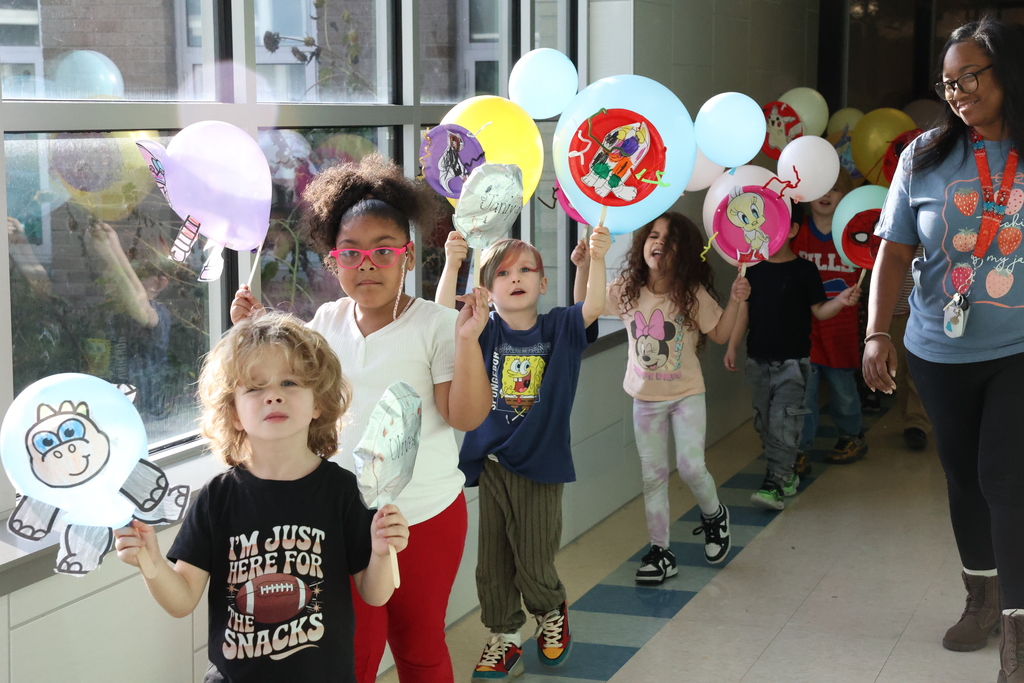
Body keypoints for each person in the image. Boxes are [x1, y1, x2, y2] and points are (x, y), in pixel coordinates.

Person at [230, 154, 492, 683]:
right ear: (334, 261)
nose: (367, 264)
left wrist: (467, 341)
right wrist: (254, 327)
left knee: (419, 650)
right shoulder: (325, 321)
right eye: (351, 253)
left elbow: (464, 416)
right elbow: (291, 386)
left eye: (382, 251)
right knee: (351, 659)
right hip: (343, 521)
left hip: (425, 518)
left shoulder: (439, 324)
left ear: (409, 257)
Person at [113, 312, 410, 683]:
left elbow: (375, 593)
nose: (273, 395)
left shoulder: (343, 491)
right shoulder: (216, 499)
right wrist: (151, 562)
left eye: (290, 382)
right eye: (254, 388)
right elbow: (182, 599)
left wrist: (383, 552)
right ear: (234, 413)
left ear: (318, 403)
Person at [863, 17, 1024, 679]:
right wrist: (878, 331)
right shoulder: (924, 154)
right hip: (939, 349)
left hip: (1017, 346)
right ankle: (980, 597)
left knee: (1003, 480)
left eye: (970, 77)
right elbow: (894, 251)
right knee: (961, 478)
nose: (958, 92)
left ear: (1006, 72)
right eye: (948, 81)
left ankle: (1016, 631)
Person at [438, 228, 609, 681]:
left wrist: (596, 258)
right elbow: (440, 322)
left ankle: (551, 608)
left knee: (533, 557)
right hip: (492, 463)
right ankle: (505, 636)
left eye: (525, 270)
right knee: (492, 564)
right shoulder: (484, 331)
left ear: (543, 282)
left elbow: (593, 305)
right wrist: (452, 263)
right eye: (503, 273)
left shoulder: (559, 328)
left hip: (540, 465)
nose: (515, 278)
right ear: (487, 289)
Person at [572, 212, 750, 585]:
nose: (659, 244)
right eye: (653, 235)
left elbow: (719, 334)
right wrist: (585, 266)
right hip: (645, 399)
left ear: (681, 253)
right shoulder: (626, 289)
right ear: (642, 244)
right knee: (652, 477)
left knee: (690, 467)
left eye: (669, 240)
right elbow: (584, 309)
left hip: (686, 394)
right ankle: (660, 551)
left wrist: (736, 300)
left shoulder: (691, 295)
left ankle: (714, 515)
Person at [726, 203, 861, 510]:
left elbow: (820, 312)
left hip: (794, 365)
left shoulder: (804, 270)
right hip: (757, 362)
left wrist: (840, 300)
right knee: (765, 424)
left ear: (792, 231)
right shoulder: (752, 270)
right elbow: (743, 314)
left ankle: (774, 483)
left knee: (784, 424)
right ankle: (785, 476)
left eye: (777, 225)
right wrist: (733, 346)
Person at [791, 169, 869, 468]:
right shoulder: (797, 232)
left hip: (841, 325)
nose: (826, 195)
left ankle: (852, 436)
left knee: (843, 389)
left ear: (845, 196)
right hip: (804, 326)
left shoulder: (852, 233)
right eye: (821, 188)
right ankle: (801, 448)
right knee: (805, 393)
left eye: (834, 189)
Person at [889, 255, 933, 450]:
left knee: (919, 372)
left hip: (927, 312)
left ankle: (916, 424)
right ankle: (911, 419)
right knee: (898, 370)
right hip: (895, 311)